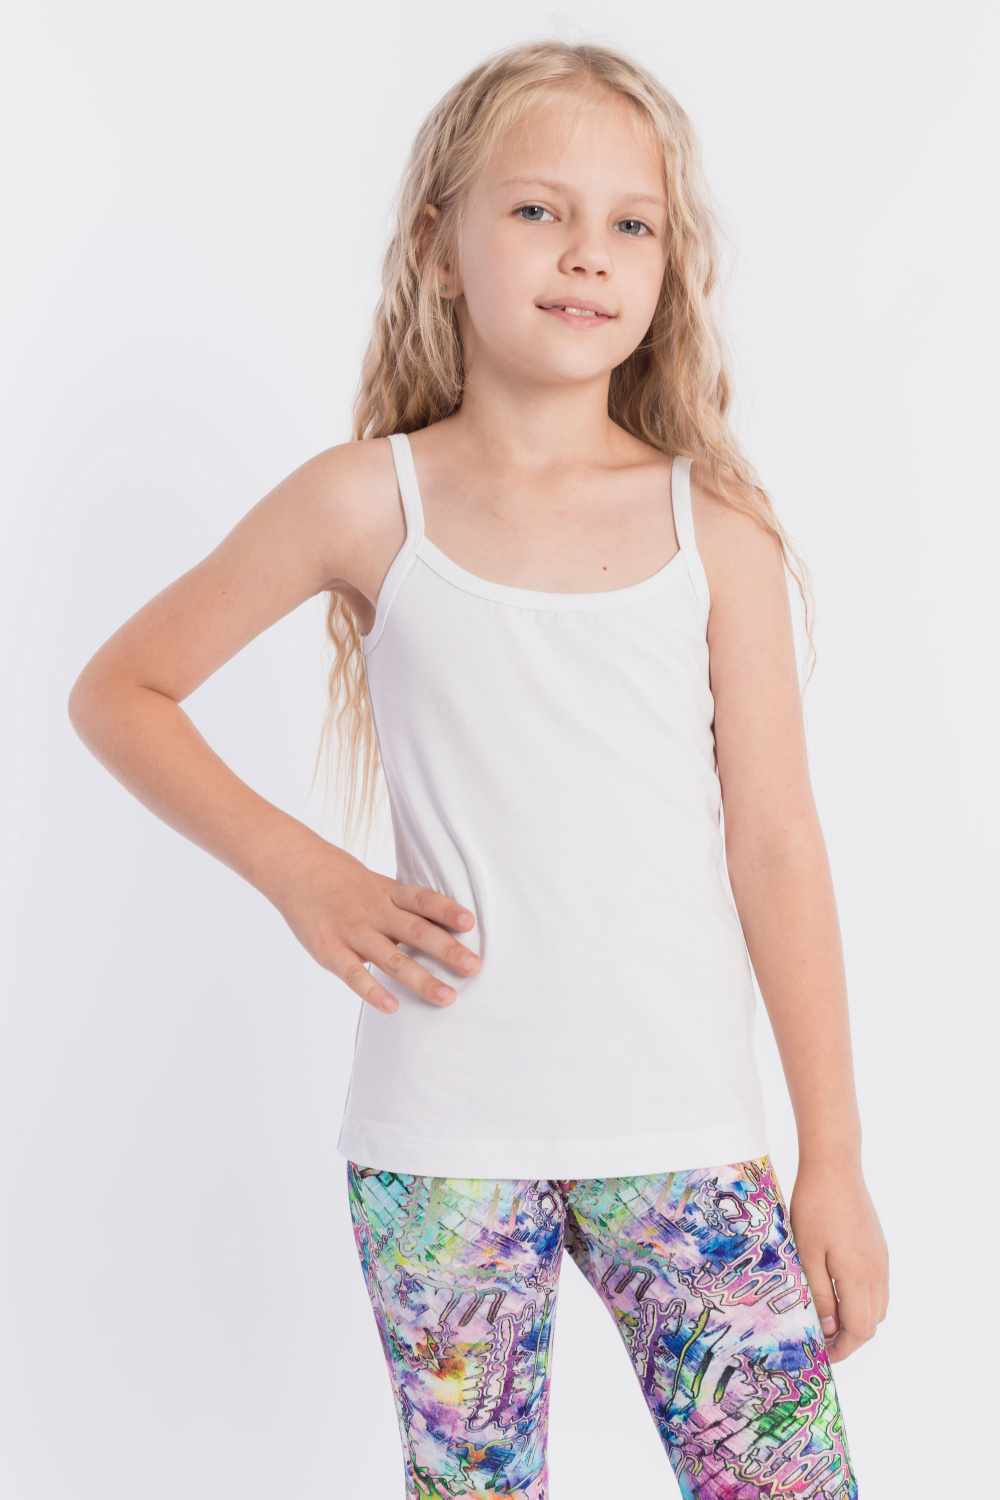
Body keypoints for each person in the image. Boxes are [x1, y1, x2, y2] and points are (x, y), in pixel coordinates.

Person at [68, 36, 889, 1500]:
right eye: (537, 210)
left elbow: (776, 844)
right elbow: (120, 691)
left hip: (686, 1136)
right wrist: (303, 873)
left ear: (668, 267)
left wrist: (833, 1156)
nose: (587, 254)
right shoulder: (365, 501)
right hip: (442, 1140)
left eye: (631, 223)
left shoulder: (716, 529)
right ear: (440, 246)